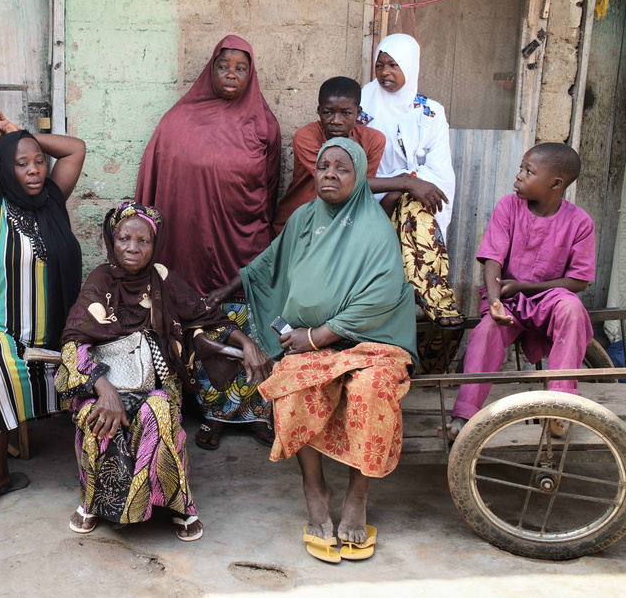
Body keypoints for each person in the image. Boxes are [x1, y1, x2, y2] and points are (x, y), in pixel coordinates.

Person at [211, 139, 417, 562]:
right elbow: (267, 264)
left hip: (373, 344)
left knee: (371, 392)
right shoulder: (305, 217)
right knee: (292, 385)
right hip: (309, 342)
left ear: (359, 176)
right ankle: (314, 486)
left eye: (342, 168)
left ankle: (358, 495)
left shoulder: (374, 225)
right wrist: (223, 292)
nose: (330, 175)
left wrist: (321, 334)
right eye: (324, 167)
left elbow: (381, 295)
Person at [55, 201, 272, 540]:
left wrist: (246, 342)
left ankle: (178, 503)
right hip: (103, 381)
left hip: (154, 381)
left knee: (158, 411)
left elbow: (205, 315)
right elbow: (73, 341)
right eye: (125, 238)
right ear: (112, 240)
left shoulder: (163, 279)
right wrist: (104, 389)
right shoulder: (100, 279)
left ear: (155, 245)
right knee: (99, 416)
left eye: (144, 241)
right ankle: (95, 500)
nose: (133, 248)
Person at [137, 35, 281, 450]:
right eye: (223, 66)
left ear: (251, 74)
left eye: (240, 67)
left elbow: (271, 186)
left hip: (244, 240)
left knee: (251, 323)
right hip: (192, 243)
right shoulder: (178, 119)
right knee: (206, 323)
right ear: (210, 70)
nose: (231, 74)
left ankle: (254, 413)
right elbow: (159, 174)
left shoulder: (263, 123)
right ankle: (213, 415)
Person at [0, 113, 85, 510]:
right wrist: (3, 143)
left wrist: (22, 137)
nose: (34, 170)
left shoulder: (54, 198)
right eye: (21, 164)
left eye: (39, 160)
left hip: (54, 332)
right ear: (6, 168)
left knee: (92, 367)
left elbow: (76, 148)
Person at [445, 144, 594, 438]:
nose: (519, 176)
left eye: (529, 171)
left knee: (572, 308)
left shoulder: (580, 222)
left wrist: (525, 286)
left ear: (556, 184)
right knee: (486, 332)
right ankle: (464, 415)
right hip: (508, 299)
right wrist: (497, 300)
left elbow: (578, 282)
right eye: (521, 167)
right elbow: (492, 259)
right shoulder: (508, 207)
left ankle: (560, 406)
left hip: (549, 298)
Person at [359, 33, 463, 332]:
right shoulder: (362, 103)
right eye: (379, 65)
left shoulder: (429, 112)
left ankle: (426, 301)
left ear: (411, 66)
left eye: (393, 65)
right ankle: (435, 300)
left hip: (412, 198)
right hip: (369, 196)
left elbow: (440, 172)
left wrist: (403, 187)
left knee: (414, 209)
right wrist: (396, 186)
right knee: (412, 205)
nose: (384, 73)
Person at [272, 77, 385, 234]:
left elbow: (362, 186)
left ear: (358, 113)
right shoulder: (307, 136)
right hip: (301, 224)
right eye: (328, 112)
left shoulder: (373, 140)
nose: (336, 121)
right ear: (319, 111)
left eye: (345, 113)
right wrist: (403, 183)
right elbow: (344, 182)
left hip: (344, 225)